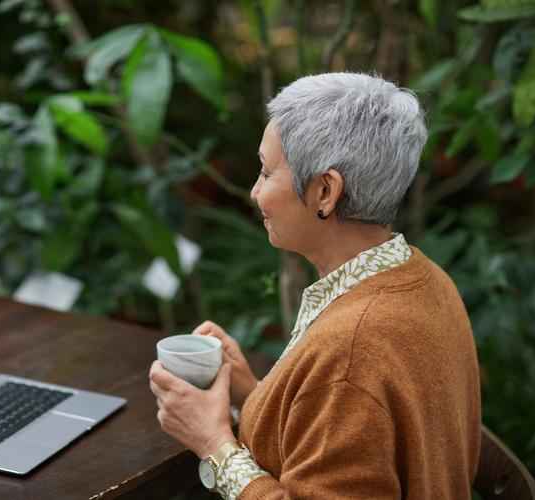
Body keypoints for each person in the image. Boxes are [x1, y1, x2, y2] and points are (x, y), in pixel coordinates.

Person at [149, 72, 481, 499]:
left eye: (267, 173)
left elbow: (346, 389)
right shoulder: (426, 280)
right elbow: (346, 435)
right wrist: (253, 393)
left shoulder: (350, 351)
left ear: (326, 191)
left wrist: (214, 445)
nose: (254, 192)